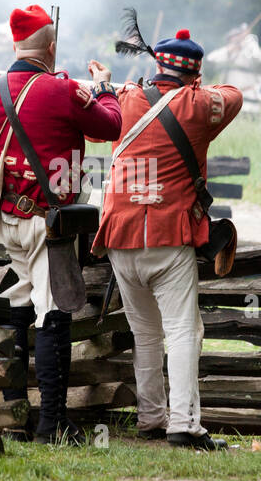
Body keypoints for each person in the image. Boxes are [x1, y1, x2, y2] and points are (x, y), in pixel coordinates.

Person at [0, 4, 121, 444]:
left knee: (20, 306)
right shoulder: (62, 89)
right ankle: (52, 424)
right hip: (45, 225)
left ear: (17, 46)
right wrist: (103, 88)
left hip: (4, 222)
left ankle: (15, 417)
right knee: (53, 314)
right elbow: (111, 125)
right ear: (51, 48)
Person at [92, 27, 244, 451]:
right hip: (167, 234)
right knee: (182, 331)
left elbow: (94, 129)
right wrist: (194, 85)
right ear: (194, 74)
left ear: (155, 67)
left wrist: (110, 88)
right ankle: (184, 424)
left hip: (120, 234)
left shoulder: (123, 100)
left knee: (145, 335)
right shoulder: (198, 104)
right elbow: (234, 94)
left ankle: (150, 417)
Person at [203, 23, 261, 111]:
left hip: (248, 96)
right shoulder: (225, 53)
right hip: (228, 96)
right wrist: (229, 51)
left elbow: (259, 58)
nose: (236, 39)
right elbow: (210, 59)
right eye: (234, 37)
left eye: (238, 36)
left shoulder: (249, 52)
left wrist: (250, 41)